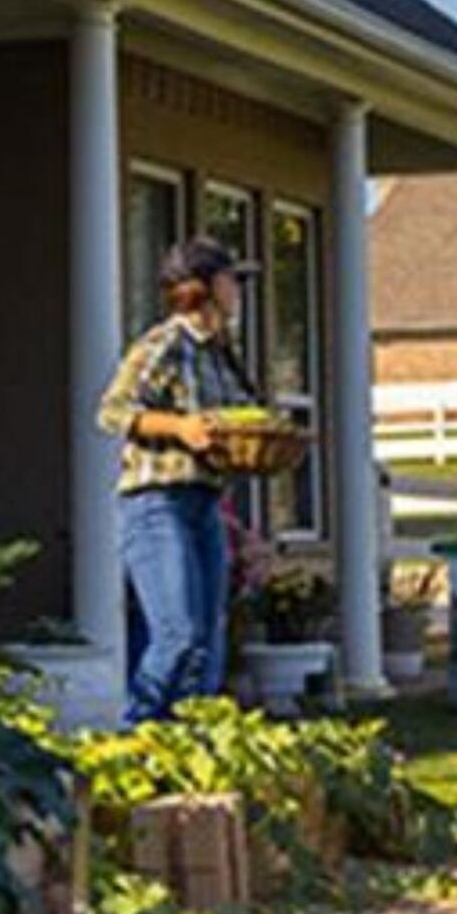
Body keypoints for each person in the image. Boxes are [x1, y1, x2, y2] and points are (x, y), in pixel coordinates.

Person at [96, 236, 262, 723]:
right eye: (232, 281)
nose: (238, 292)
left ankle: (188, 752)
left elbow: (235, 422)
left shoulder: (219, 354)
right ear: (204, 288)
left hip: (204, 503)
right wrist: (180, 428)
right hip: (155, 504)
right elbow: (112, 411)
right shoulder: (164, 343)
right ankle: (131, 741)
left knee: (208, 639)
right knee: (177, 634)